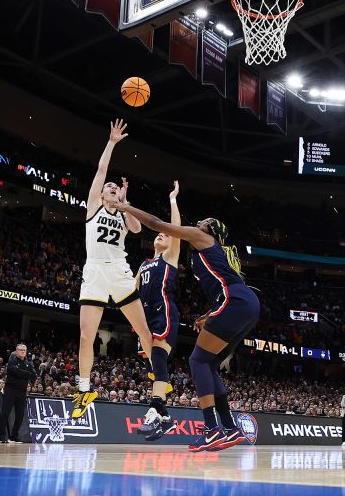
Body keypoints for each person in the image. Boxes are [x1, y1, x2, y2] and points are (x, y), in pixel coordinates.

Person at [107, 197, 259, 452]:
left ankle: (212, 429)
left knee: (197, 361)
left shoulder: (201, 238)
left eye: (205, 221)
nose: (199, 221)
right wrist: (208, 316)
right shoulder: (205, 250)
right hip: (242, 304)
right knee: (208, 364)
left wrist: (126, 208)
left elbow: (157, 223)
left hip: (236, 301)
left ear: (209, 229)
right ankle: (230, 429)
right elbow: (225, 287)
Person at [74, 119, 154, 419]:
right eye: (109, 188)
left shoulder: (122, 212)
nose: (110, 188)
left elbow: (135, 229)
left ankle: (156, 373)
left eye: (113, 189)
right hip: (94, 272)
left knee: (143, 330)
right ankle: (83, 390)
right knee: (85, 337)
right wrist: (111, 143)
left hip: (119, 270)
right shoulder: (93, 205)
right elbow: (101, 172)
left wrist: (125, 202)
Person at [137, 181, 182, 441]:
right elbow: (130, 292)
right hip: (143, 318)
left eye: (163, 235)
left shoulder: (169, 258)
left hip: (163, 312)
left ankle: (154, 408)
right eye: (158, 235)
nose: (160, 236)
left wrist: (173, 200)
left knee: (159, 358)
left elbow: (175, 230)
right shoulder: (143, 263)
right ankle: (164, 417)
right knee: (152, 364)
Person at [0, 344, 36, 443]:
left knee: (20, 415)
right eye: (20, 350)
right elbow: (16, 372)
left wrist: (25, 374)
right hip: (10, 389)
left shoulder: (29, 363)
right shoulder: (12, 361)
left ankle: (14, 436)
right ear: (16, 351)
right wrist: (27, 374)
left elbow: (34, 375)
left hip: (22, 391)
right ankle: (2, 436)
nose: (22, 351)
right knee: (5, 412)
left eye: (24, 350)